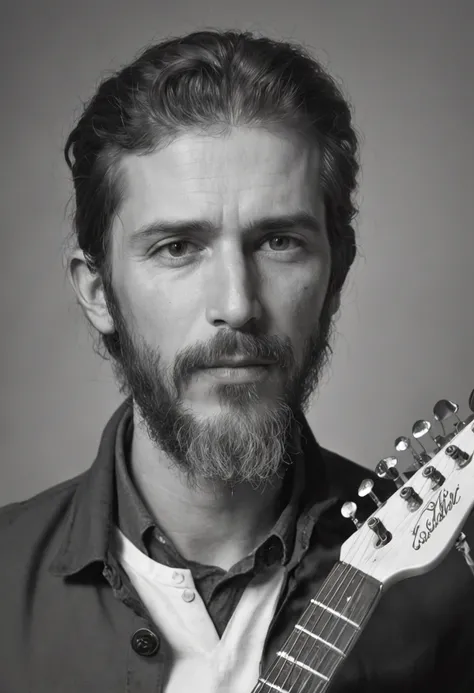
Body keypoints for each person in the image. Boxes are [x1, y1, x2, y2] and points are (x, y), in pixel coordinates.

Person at [1, 28, 473, 693]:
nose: (237, 303)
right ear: (99, 291)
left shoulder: (453, 596)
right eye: (177, 247)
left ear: (336, 275)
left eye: (279, 241)